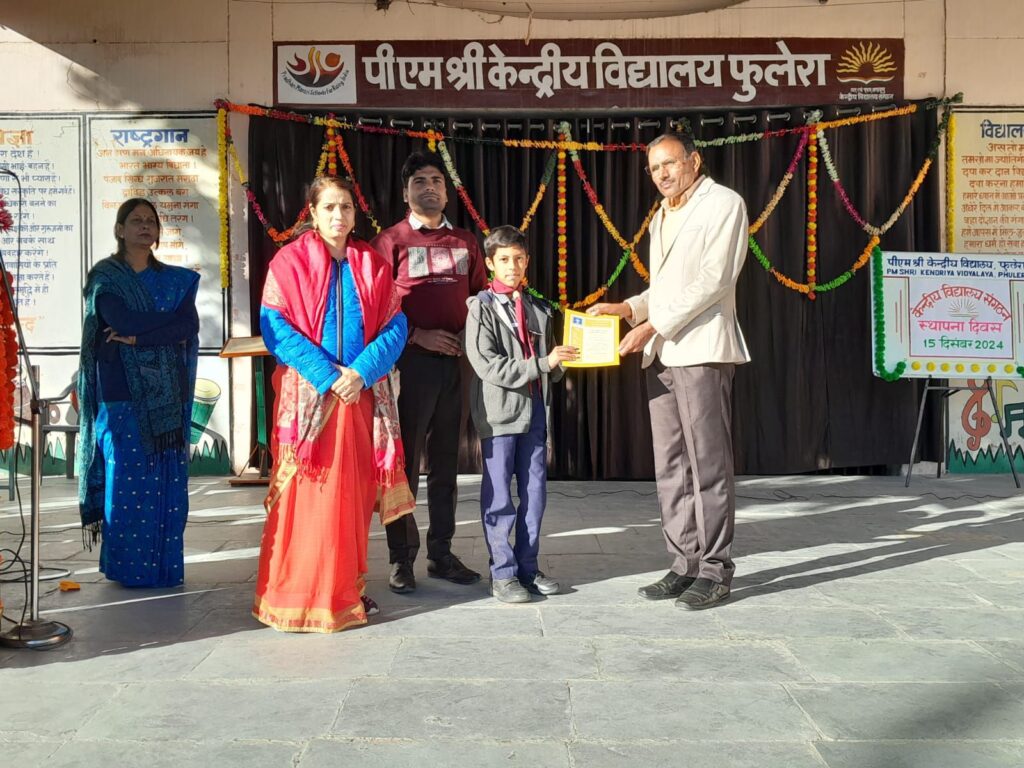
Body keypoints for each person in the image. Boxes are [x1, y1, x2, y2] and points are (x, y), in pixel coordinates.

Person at [589, 132, 750, 610]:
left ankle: (715, 570)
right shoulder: (662, 213)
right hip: (661, 353)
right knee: (671, 467)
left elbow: (713, 280)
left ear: (694, 161)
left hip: (700, 350)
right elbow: (665, 288)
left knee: (708, 465)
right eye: (654, 168)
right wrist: (628, 308)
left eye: (670, 163)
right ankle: (684, 564)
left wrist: (653, 324)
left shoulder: (723, 204)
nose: (662, 174)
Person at [254, 176, 412, 633]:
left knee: (351, 500)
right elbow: (275, 326)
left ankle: (344, 590)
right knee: (308, 501)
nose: (338, 216)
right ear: (312, 212)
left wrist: (360, 373)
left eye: (345, 207)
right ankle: (295, 595)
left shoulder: (372, 264)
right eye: (329, 207)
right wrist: (328, 377)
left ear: (355, 213)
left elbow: (396, 326)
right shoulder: (289, 262)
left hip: (359, 398)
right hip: (310, 399)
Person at [371, 151, 489, 594]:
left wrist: (469, 340)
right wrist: (418, 335)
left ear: (447, 189)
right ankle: (401, 558)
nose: (430, 188)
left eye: (437, 180)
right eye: (419, 181)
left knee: (445, 463)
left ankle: (441, 553)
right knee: (403, 465)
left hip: (456, 365)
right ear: (406, 193)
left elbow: (479, 298)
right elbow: (376, 308)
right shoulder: (390, 242)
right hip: (409, 365)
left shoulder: (465, 242)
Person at [78, 197, 199, 588]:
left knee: (165, 481)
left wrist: (139, 337)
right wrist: (164, 323)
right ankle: (127, 568)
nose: (145, 226)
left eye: (151, 221)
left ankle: (163, 567)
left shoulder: (176, 281)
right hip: (121, 390)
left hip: (166, 393)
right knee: (126, 479)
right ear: (120, 230)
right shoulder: (106, 278)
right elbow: (122, 319)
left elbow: (188, 328)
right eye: (136, 221)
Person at [465, 226, 578, 602]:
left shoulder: (538, 309)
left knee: (535, 494)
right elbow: (488, 365)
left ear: (527, 261)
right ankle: (503, 574)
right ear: (490, 264)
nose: (512, 266)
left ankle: (528, 568)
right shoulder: (480, 308)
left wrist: (573, 356)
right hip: (499, 416)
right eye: (504, 260)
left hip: (535, 413)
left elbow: (550, 365)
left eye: (518, 259)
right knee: (499, 496)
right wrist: (544, 363)